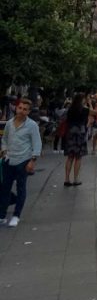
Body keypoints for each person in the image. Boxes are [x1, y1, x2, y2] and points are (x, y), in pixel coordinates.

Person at [0, 98, 42, 228]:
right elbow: (5, 139)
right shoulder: (9, 123)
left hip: (23, 161)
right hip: (9, 159)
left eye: (25, 109)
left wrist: (32, 160)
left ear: (28, 111)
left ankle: (16, 215)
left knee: (21, 187)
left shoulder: (32, 125)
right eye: (20, 108)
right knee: (4, 188)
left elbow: (37, 143)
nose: (21, 111)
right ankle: (2, 215)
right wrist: (4, 150)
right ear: (16, 108)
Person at [63, 94, 90, 186]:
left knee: (70, 157)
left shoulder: (70, 109)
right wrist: (94, 102)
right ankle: (75, 179)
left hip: (70, 133)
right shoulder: (85, 110)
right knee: (78, 157)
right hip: (80, 134)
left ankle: (66, 179)